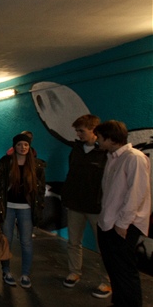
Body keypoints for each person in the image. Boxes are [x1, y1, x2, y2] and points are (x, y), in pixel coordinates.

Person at [94, 120, 151, 307]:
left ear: (111, 139)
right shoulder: (112, 157)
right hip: (108, 223)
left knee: (125, 272)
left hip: (123, 226)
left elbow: (136, 194)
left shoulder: (134, 157)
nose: (97, 142)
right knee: (114, 270)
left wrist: (122, 224)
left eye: (100, 138)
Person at [60, 114, 111, 298]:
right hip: (75, 204)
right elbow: (72, 174)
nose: (78, 134)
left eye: (81, 130)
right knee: (73, 242)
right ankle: (74, 272)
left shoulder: (105, 152)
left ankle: (106, 281)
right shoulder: (76, 150)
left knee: (103, 247)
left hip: (97, 208)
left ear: (93, 130)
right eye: (77, 131)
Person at [0, 133, 46, 288]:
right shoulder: (6, 162)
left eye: (26, 145)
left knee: (26, 242)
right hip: (7, 208)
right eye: (20, 145)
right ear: (14, 147)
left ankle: (25, 274)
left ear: (30, 147)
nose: (23, 147)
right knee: (6, 240)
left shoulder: (37, 165)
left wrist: (39, 208)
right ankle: (6, 271)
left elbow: (40, 191)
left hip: (26, 209)